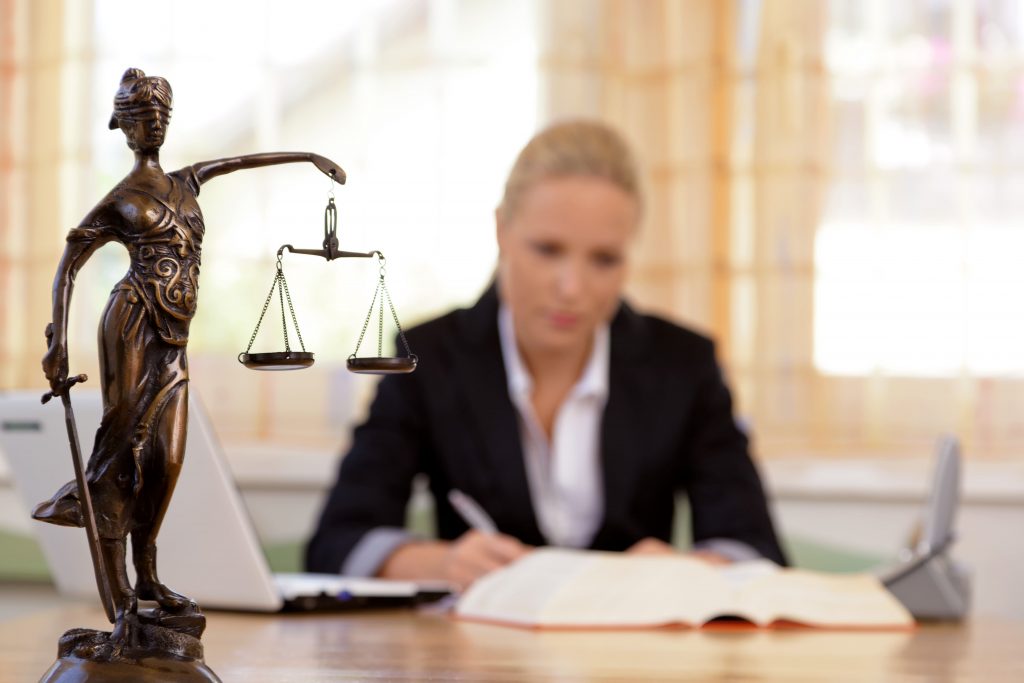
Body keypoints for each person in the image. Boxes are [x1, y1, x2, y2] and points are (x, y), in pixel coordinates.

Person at [306, 120, 786, 589]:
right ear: (501, 231)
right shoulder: (430, 357)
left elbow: (756, 550)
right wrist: (442, 563)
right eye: (547, 250)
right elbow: (338, 541)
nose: (572, 288)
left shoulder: (683, 364)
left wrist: (689, 572)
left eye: (604, 259)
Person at [35, 67, 343, 649]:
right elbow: (70, 263)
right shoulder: (120, 199)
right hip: (130, 319)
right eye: (139, 117)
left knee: (168, 456)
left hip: (175, 335)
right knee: (121, 446)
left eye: (159, 116)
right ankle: (121, 588)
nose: (151, 124)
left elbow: (239, 162)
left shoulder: (187, 182)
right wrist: (58, 340)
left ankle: (148, 570)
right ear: (123, 126)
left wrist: (306, 156)